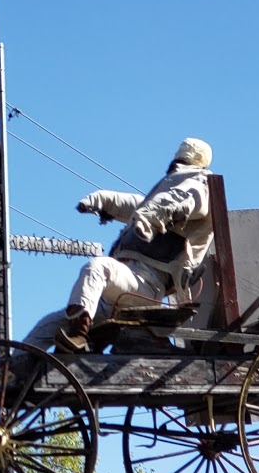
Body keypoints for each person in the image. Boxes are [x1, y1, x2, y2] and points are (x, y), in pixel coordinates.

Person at [22, 137, 216, 353]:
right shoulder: (173, 187)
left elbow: (180, 200)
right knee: (47, 326)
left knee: (98, 267)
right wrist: (102, 200)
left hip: (147, 285)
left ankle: (78, 335)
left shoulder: (199, 183)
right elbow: (139, 204)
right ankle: (13, 366)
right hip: (119, 288)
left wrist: (150, 217)